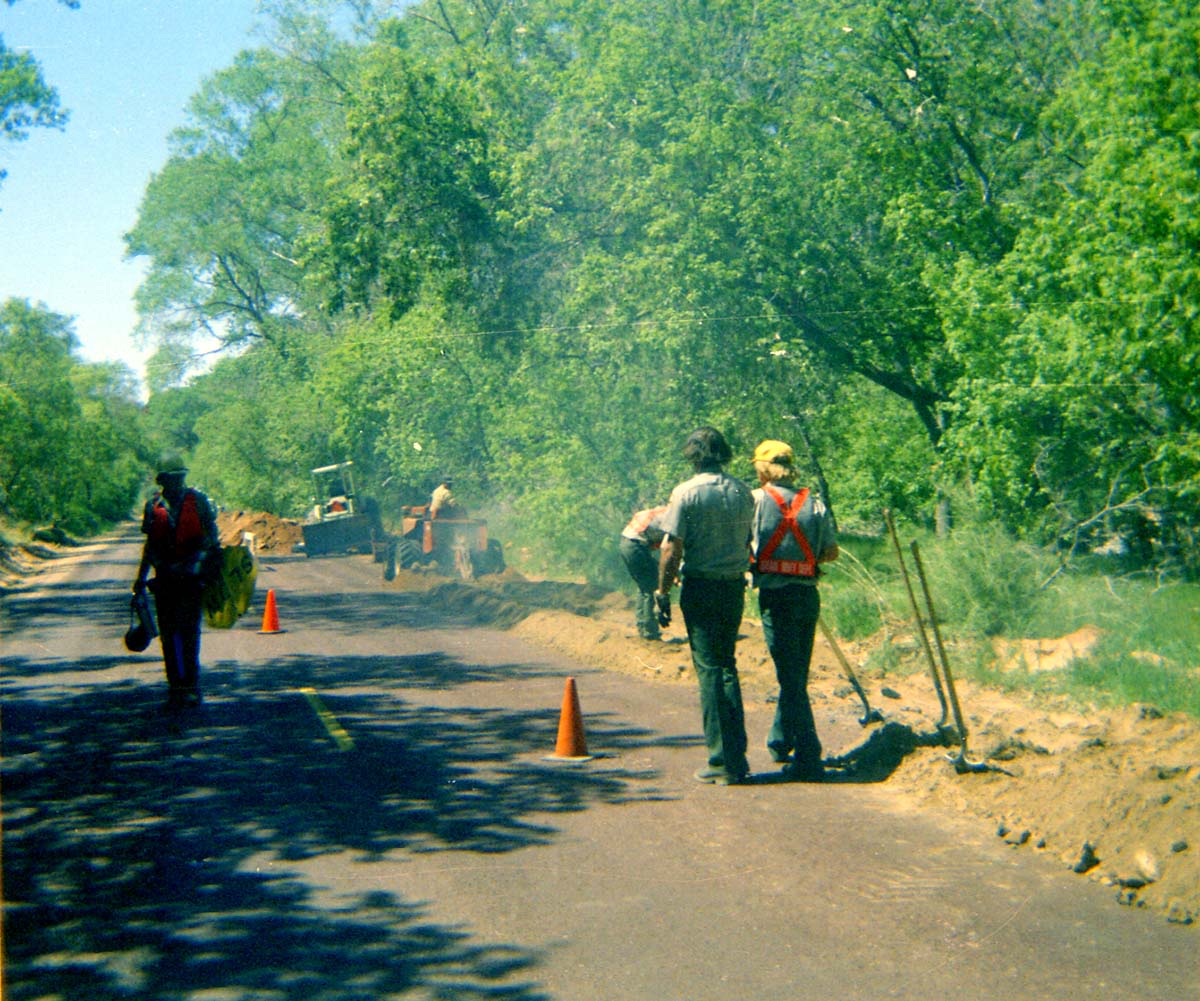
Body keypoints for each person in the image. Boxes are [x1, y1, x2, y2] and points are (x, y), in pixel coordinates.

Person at [657, 427, 755, 785]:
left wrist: (661, 592)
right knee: (726, 664)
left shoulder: (686, 493)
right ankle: (736, 757)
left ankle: (722, 761)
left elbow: (670, 549)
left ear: (693, 455)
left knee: (710, 670)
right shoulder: (743, 491)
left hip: (701, 587)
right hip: (733, 588)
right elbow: (749, 540)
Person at [749, 439, 839, 781]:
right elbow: (831, 552)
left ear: (762, 468)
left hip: (776, 598)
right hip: (807, 597)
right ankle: (780, 739)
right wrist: (804, 555)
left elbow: (744, 545)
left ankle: (809, 754)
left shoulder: (755, 501)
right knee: (795, 673)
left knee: (790, 676)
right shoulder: (812, 502)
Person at [132, 461, 220, 711]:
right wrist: (140, 577)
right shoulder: (153, 506)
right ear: (163, 481)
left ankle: (191, 686)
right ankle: (175, 688)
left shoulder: (199, 501)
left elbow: (212, 539)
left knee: (190, 634)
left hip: (192, 579)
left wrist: (206, 567)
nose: (178, 482)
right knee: (169, 637)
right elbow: (150, 546)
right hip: (166, 581)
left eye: (180, 477)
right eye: (173, 478)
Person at [620, 505, 669, 640]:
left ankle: (643, 626)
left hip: (628, 544)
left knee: (644, 586)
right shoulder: (670, 517)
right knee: (650, 587)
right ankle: (649, 631)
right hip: (635, 546)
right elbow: (667, 546)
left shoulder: (662, 512)